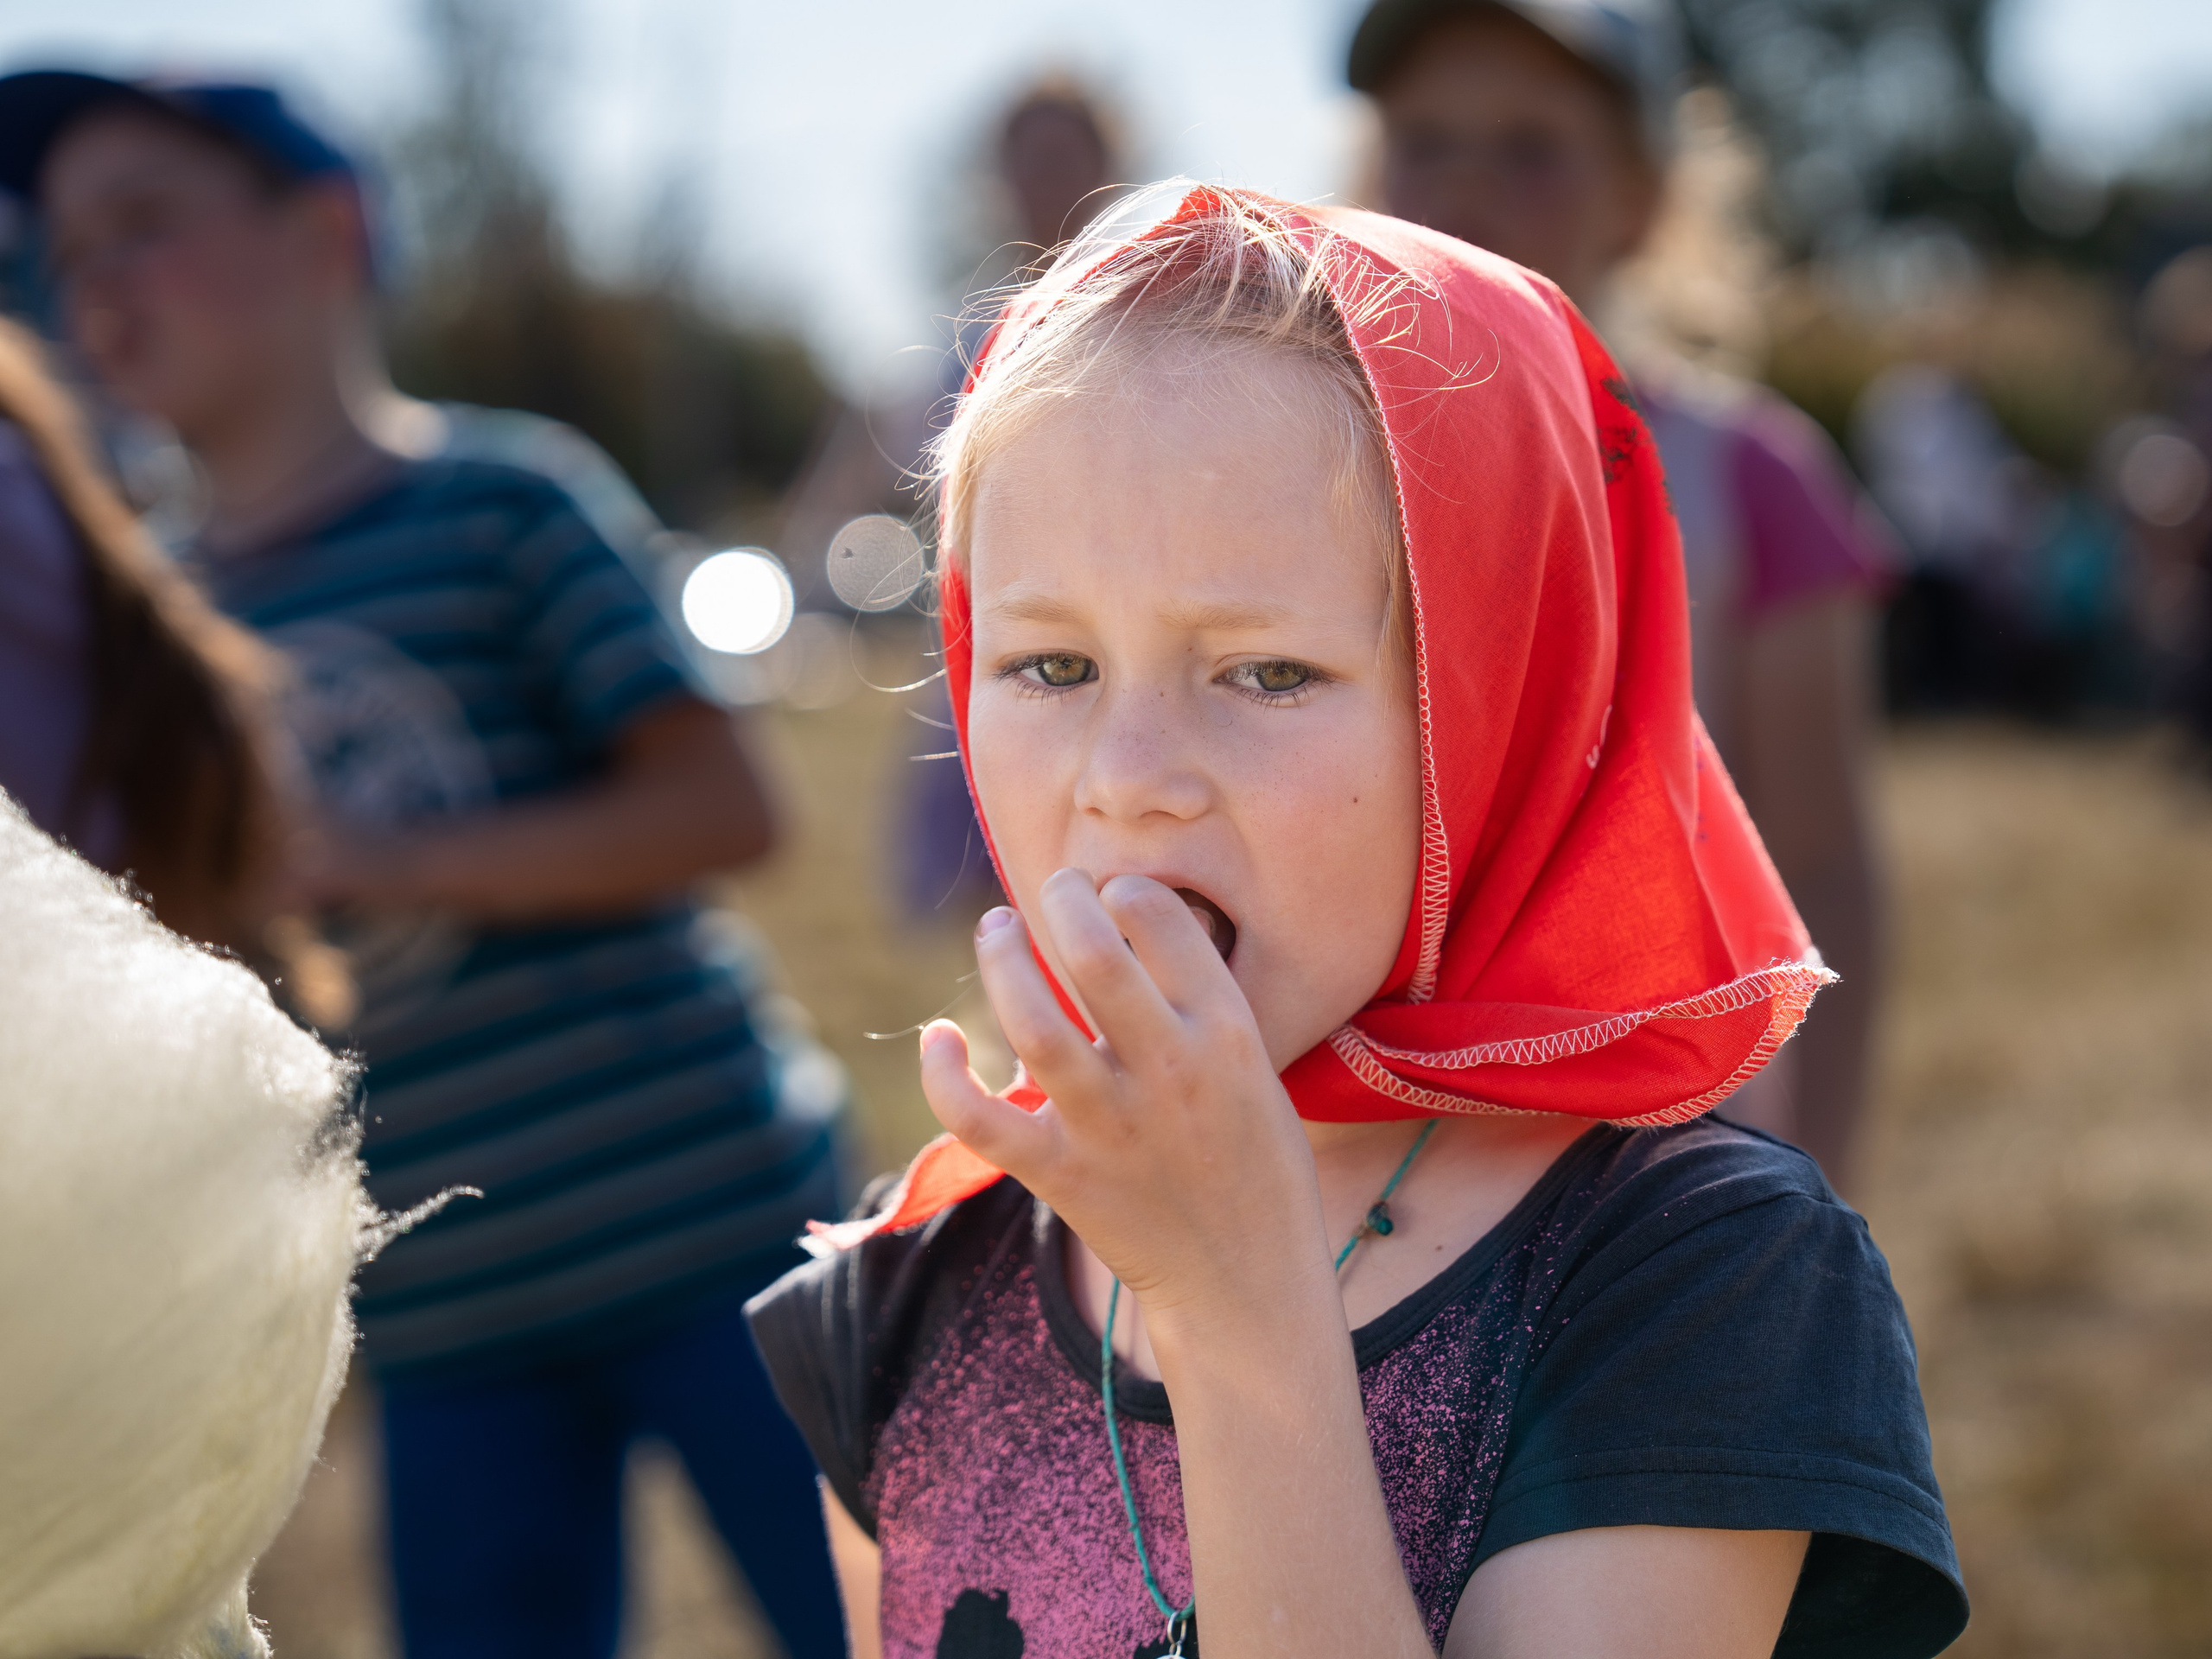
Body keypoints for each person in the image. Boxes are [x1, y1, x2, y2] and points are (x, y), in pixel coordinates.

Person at [747, 186, 1966, 1657]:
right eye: (1049, 667)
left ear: (1501, 712)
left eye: (1265, 673)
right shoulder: (905, 1298)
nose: (1128, 784)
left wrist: (1234, 1299)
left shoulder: (1699, 1282)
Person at [0, 69, 846, 1657]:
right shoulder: (141, 628)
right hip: (447, 1310)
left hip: (721, 1238)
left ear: (327, 232)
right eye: (61, 250)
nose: (92, 283)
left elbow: (727, 809)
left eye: (142, 225)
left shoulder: (503, 500)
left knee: (892, 1621)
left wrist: (385, 855)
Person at [1347, 0, 1890, 1189]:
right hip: (1354, 1151)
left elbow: (1825, 858)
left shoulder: (1748, 475)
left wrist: (1811, 1189)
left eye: (1532, 147)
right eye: (1423, 138)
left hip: (1658, 1168)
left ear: (1643, 198)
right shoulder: (1301, 462)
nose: (1464, 183)